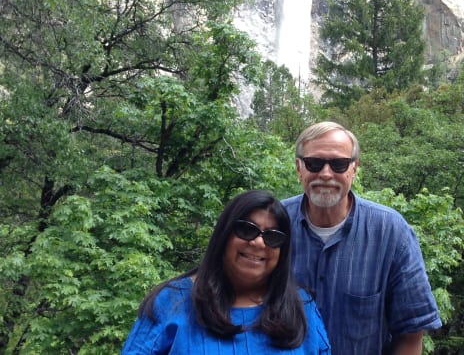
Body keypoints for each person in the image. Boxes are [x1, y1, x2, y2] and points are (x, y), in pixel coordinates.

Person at [284, 121, 441, 354]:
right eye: (314, 163)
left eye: (339, 164)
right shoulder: (273, 226)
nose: (326, 173)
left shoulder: (391, 231)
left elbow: (410, 332)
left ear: (354, 169)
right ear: (299, 168)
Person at [121, 190, 330, 354]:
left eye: (272, 237)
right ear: (224, 234)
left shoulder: (302, 307)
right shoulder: (171, 303)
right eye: (247, 229)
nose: (258, 242)